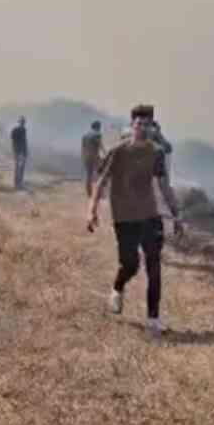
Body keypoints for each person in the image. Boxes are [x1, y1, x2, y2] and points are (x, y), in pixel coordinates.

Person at [88, 104, 184, 336]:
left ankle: (153, 319)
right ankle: (117, 288)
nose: (141, 127)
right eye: (138, 123)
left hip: (150, 216)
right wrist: (91, 211)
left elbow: (164, 186)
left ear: (151, 127)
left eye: (146, 124)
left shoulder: (157, 152)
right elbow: (100, 182)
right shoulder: (118, 151)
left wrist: (176, 215)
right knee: (130, 265)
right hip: (124, 216)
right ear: (132, 126)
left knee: (154, 266)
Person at [80, 120, 105, 198]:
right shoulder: (97, 134)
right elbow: (100, 145)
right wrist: (106, 153)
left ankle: (89, 193)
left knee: (88, 175)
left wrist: (83, 157)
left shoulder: (85, 135)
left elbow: (83, 147)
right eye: (99, 127)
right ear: (97, 127)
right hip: (95, 156)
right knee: (99, 174)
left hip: (86, 157)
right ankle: (99, 193)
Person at [10, 116, 28, 190]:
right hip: (18, 151)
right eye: (22, 122)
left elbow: (24, 141)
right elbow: (14, 140)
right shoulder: (16, 130)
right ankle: (17, 183)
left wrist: (25, 151)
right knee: (18, 167)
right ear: (20, 122)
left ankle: (18, 182)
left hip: (20, 151)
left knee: (20, 167)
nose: (23, 123)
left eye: (23, 122)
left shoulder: (23, 130)